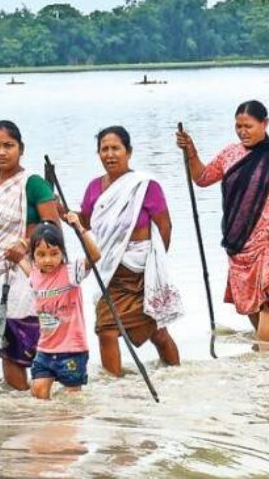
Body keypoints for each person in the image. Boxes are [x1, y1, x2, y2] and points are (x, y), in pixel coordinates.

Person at [176, 100, 269, 343]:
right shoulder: (230, 153)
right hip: (239, 242)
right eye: (238, 126)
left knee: (268, 300)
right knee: (251, 305)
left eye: (248, 126)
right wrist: (191, 152)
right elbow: (203, 178)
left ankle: (264, 359)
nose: (243, 131)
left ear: (265, 124)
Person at [79, 126, 182, 375]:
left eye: (116, 148)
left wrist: (154, 263)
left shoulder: (145, 185)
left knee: (157, 332)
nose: (110, 154)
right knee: (106, 330)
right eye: (105, 149)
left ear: (129, 151)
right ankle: (116, 385)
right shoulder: (94, 187)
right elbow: (85, 222)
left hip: (141, 272)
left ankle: (177, 373)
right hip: (109, 271)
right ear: (98, 153)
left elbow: (164, 226)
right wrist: (63, 212)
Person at [0, 120, 60, 391]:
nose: (1, 152)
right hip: (1, 276)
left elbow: (52, 226)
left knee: (36, 337)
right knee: (6, 341)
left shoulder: (33, 183)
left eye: (8, 146)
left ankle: (43, 408)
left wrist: (26, 244)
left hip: (30, 273)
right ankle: (19, 404)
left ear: (21, 149)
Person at [6, 214, 100, 399]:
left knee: (71, 399)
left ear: (62, 252)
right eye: (41, 255)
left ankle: (68, 426)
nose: (48, 260)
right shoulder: (35, 275)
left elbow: (95, 255)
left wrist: (79, 229)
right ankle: (48, 426)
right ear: (33, 255)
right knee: (38, 391)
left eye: (54, 253)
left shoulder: (72, 272)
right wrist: (18, 254)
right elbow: (25, 267)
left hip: (72, 349)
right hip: (46, 350)